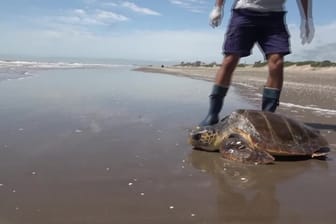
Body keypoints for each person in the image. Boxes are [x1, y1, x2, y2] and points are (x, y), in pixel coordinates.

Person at [199, 0, 314, 127]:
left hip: (274, 17)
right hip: (244, 13)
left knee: (277, 62)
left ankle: (267, 117)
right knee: (230, 59)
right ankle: (212, 113)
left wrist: (307, 18)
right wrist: (218, 7)